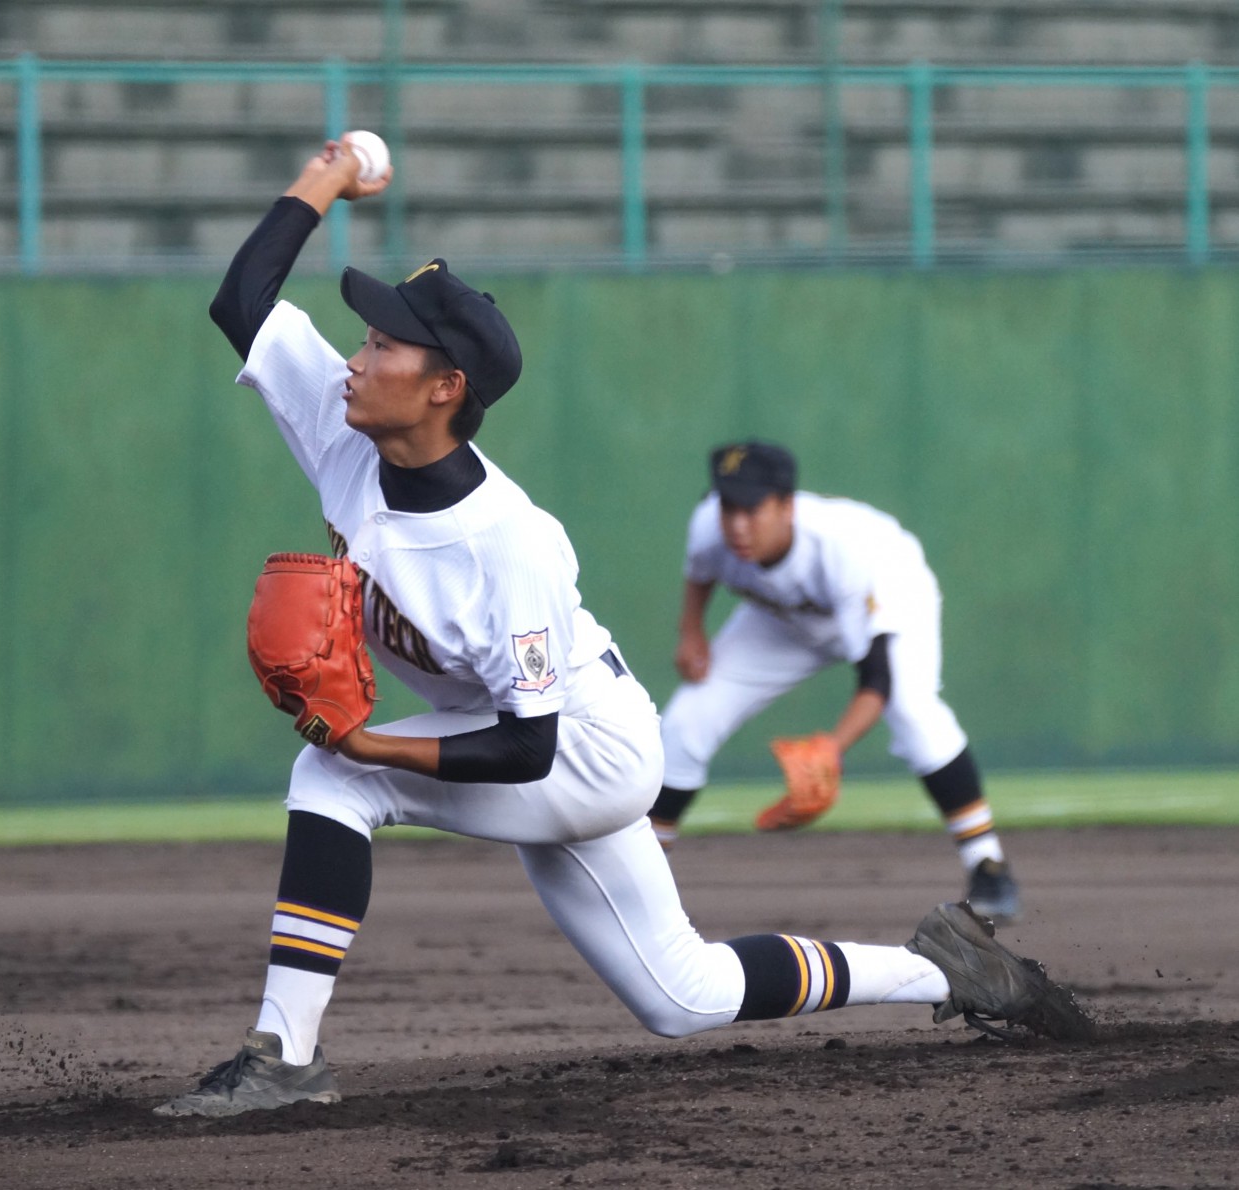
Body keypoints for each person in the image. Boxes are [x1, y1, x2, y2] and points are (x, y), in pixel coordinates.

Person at [153, 139, 1070, 1118]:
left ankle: (284, 1054)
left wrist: (367, 740)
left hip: (582, 749)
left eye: (385, 343)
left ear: (443, 387)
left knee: (334, 774)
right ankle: (950, 972)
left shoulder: (510, 543)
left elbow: (526, 743)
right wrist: (326, 178)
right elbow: (241, 300)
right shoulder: (343, 421)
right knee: (684, 993)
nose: (359, 353)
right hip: (524, 738)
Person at [647, 441, 1021, 920]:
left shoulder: (844, 552)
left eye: (752, 508)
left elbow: (876, 680)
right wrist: (691, 632)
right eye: (728, 506)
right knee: (686, 721)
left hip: (889, 594)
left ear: (787, 505)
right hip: (781, 622)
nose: (737, 523)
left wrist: (831, 750)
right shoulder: (709, 525)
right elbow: (700, 573)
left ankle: (988, 865)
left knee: (912, 711)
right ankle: (642, 874)